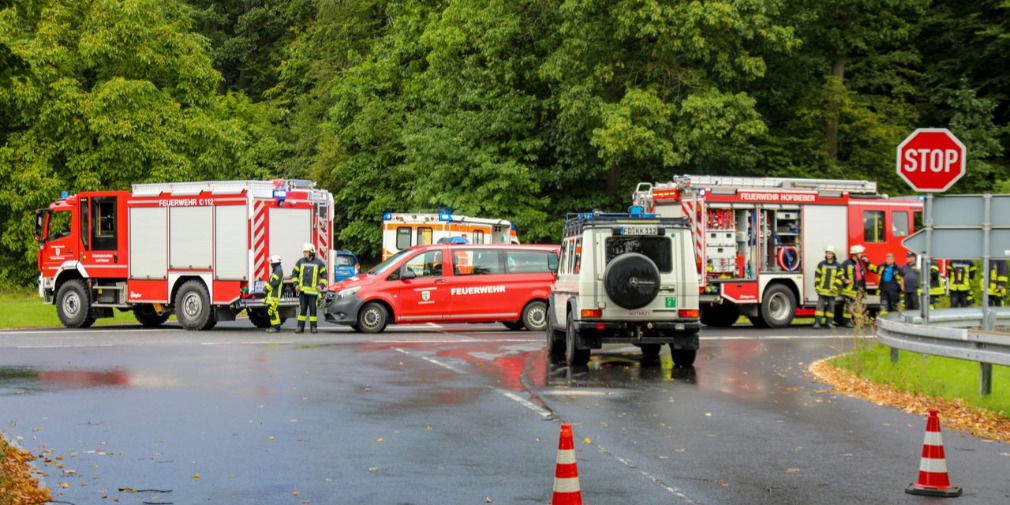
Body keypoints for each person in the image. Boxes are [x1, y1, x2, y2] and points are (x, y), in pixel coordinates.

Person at [292, 243, 328, 334]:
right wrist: (296, 284)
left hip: (313, 292)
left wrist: (321, 285)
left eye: (306, 252)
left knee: (313, 310)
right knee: (302, 309)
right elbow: (294, 273)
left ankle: (313, 327)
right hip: (303, 291)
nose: (304, 253)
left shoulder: (319, 262)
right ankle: (300, 327)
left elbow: (324, 275)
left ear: (311, 252)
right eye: (304, 252)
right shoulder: (300, 261)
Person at [840, 244, 873, 327]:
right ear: (855, 254)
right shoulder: (846, 263)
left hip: (859, 287)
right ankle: (847, 322)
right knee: (849, 306)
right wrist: (844, 280)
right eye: (860, 253)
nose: (861, 254)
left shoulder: (859, 263)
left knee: (858, 305)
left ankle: (858, 322)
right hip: (850, 289)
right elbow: (839, 272)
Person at [812, 245, 842, 328]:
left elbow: (839, 278)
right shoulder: (821, 264)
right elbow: (817, 275)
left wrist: (835, 287)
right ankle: (817, 323)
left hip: (832, 291)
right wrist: (817, 286)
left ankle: (829, 323)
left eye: (830, 253)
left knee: (831, 308)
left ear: (833, 255)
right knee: (819, 307)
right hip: (822, 290)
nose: (828, 255)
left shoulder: (838, 266)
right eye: (827, 253)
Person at [264, 255, 283, 333]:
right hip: (273, 295)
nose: (270, 264)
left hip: (274, 295)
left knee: (272, 311)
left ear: (274, 263)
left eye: (271, 263)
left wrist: (265, 289)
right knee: (273, 311)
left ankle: (275, 327)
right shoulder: (277, 270)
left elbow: (273, 283)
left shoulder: (278, 271)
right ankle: (275, 326)